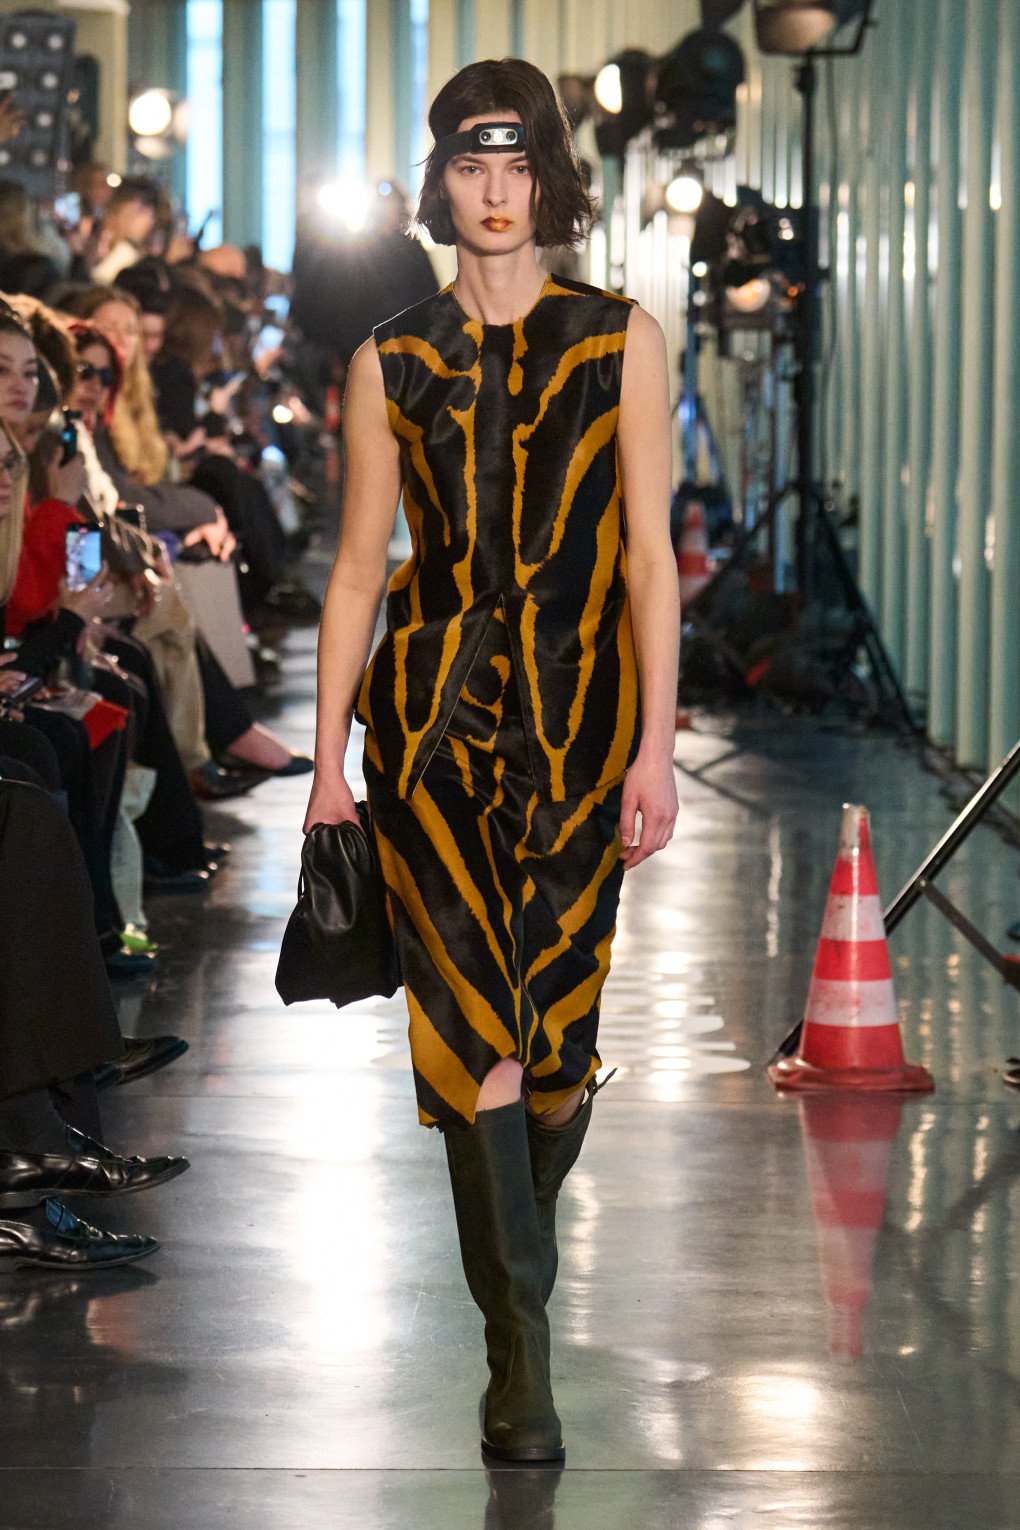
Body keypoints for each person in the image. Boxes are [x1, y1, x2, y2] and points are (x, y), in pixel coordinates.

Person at [304, 58, 680, 1462]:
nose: (496, 191)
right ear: (440, 178)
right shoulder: (388, 360)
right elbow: (356, 570)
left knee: (562, 1045)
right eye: (471, 163)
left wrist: (656, 746)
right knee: (480, 1038)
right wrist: (334, 761)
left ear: (552, 177)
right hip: (436, 736)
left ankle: (519, 1290)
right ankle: (518, 1359)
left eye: (519, 164)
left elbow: (649, 555)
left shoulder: (619, 341)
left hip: (587, 732)